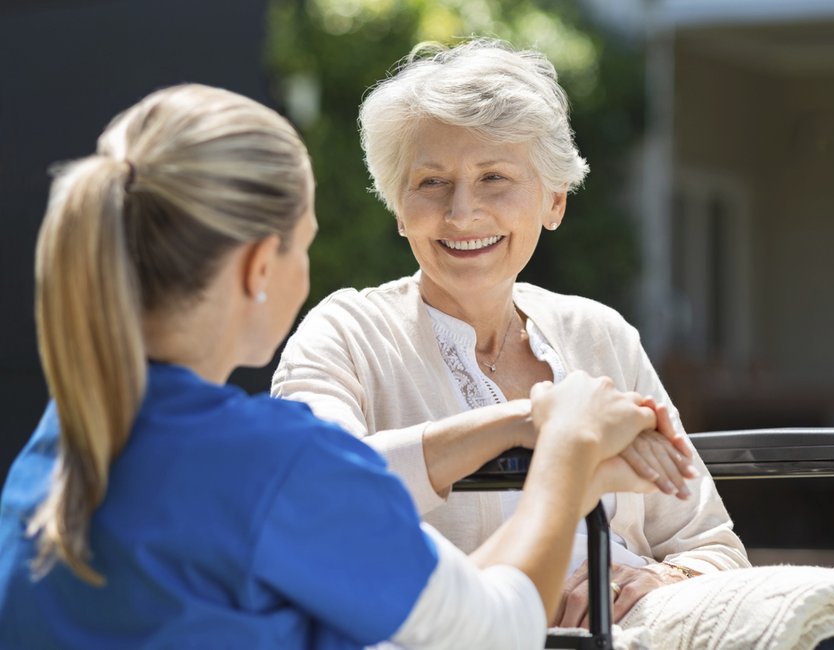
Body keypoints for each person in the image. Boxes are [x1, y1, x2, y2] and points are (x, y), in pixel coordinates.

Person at [0, 83, 684, 649]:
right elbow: (497, 631)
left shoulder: (60, 444)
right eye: (305, 245)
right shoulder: (276, 464)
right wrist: (565, 445)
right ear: (258, 268)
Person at [271, 38, 750, 630]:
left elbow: (712, 546)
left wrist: (657, 580)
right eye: (431, 183)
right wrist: (529, 423)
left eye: (494, 177)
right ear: (399, 208)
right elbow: (316, 492)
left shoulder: (600, 335)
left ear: (554, 201)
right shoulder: (345, 332)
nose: (462, 212)